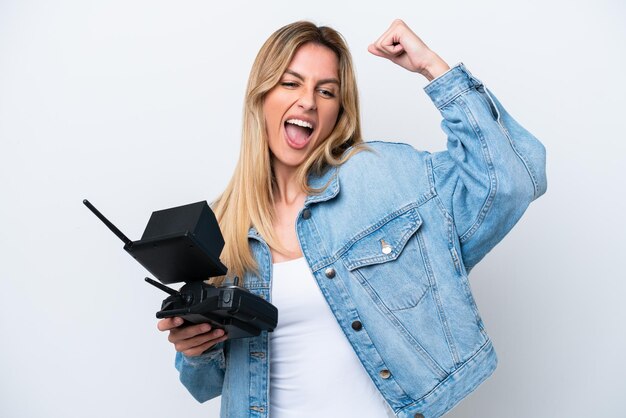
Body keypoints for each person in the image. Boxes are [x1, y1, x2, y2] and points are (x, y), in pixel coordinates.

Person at [157, 19, 547, 418]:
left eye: (325, 91)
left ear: (338, 111)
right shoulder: (223, 225)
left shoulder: (381, 178)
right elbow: (203, 386)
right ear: (260, 97)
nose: (308, 101)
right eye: (291, 84)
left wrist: (433, 68)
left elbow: (511, 182)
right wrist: (194, 350)